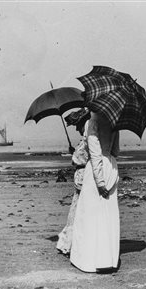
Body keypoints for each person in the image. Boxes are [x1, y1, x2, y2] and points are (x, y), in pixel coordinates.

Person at [70, 110, 121, 272]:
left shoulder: (91, 122)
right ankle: (109, 259)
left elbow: (95, 153)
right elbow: (116, 151)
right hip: (111, 166)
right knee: (108, 214)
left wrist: (100, 181)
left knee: (89, 215)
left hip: (96, 170)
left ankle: (90, 261)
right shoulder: (114, 120)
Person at [56, 108, 91, 256]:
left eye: (77, 125)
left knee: (79, 210)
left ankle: (74, 243)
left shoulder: (87, 139)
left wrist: (74, 155)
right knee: (78, 209)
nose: (76, 129)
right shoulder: (85, 139)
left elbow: (80, 159)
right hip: (82, 175)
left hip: (84, 176)